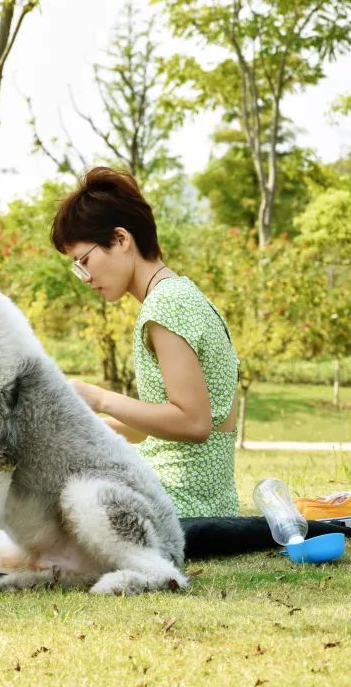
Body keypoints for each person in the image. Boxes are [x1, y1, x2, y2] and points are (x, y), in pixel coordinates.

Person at [51, 167, 240, 518]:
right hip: (200, 500)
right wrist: (91, 427)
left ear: (121, 239)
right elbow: (169, 424)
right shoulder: (181, 294)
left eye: (84, 261)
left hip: (179, 504)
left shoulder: (166, 305)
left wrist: (100, 398)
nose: (85, 278)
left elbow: (193, 424)